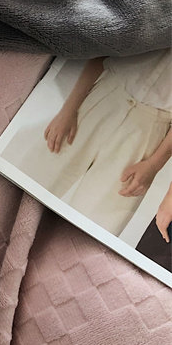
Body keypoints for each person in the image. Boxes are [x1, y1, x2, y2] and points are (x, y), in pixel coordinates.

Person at [12, 50, 172, 236]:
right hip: (103, 98)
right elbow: (102, 51)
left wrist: (154, 164)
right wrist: (68, 109)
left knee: (96, 228)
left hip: (149, 132)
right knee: (30, 184)